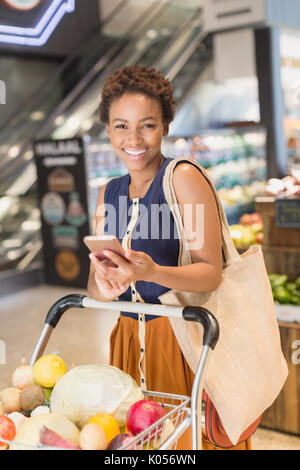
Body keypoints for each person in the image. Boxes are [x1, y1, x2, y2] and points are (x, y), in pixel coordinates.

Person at [87, 65, 251, 450]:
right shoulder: (108, 193)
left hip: (185, 340)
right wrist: (106, 284)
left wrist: (154, 270)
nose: (134, 138)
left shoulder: (182, 177)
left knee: (189, 443)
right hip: (127, 339)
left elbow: (211, 273)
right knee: (142, 444)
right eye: (121, 126)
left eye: (147, 125)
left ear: (165, 126)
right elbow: (94, 288)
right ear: (108, 130)